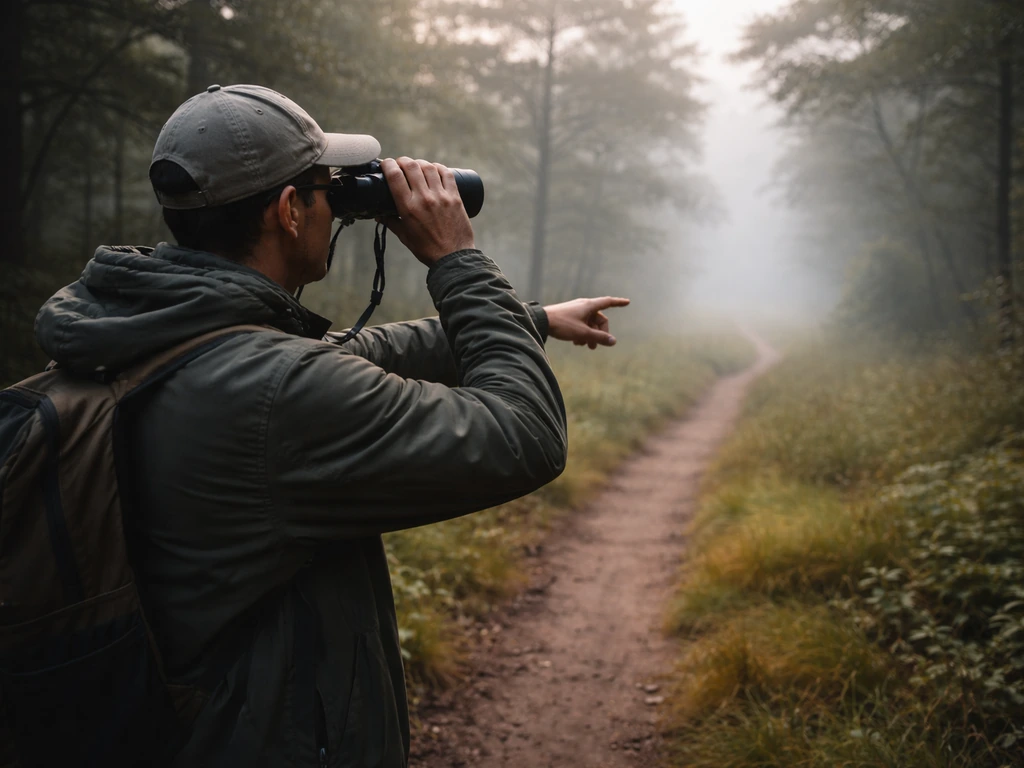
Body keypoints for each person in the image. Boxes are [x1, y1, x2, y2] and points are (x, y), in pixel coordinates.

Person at [33, 83, 629, 767]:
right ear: (290, 211)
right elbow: (525, 434)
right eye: (326, 188)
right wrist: (458, 260)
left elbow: (344, 354)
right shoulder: (277, 392)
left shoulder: (146, 332)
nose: (338, 204)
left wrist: (532, 318)